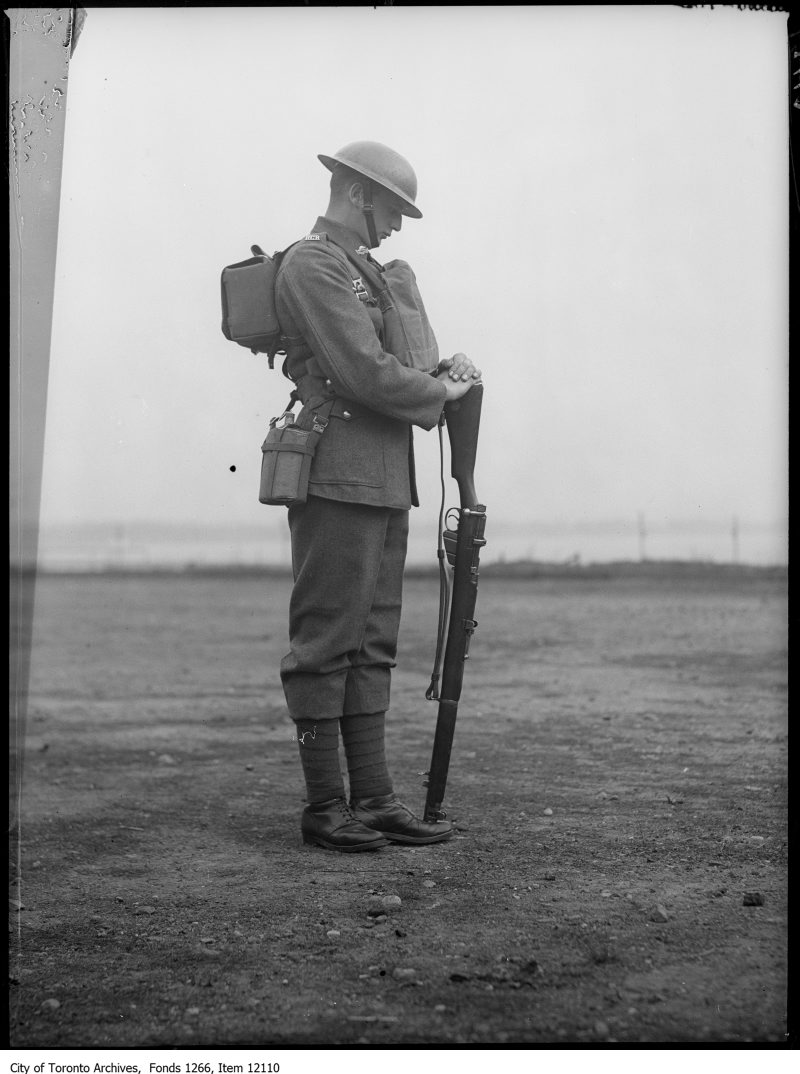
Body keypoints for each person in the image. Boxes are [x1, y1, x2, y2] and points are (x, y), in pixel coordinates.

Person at [273, 140, 481, 852]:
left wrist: (444, 367)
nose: (395, 225)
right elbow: (362, 370)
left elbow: (398, 361)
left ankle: (376, 799)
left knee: (373, 643)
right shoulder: (314, 264)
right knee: (327, 638)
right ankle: (326, 807)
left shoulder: (374, 273)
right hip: (337, 474)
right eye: (392, 208)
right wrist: (438, 391)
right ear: (358, 194)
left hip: (385, 477)